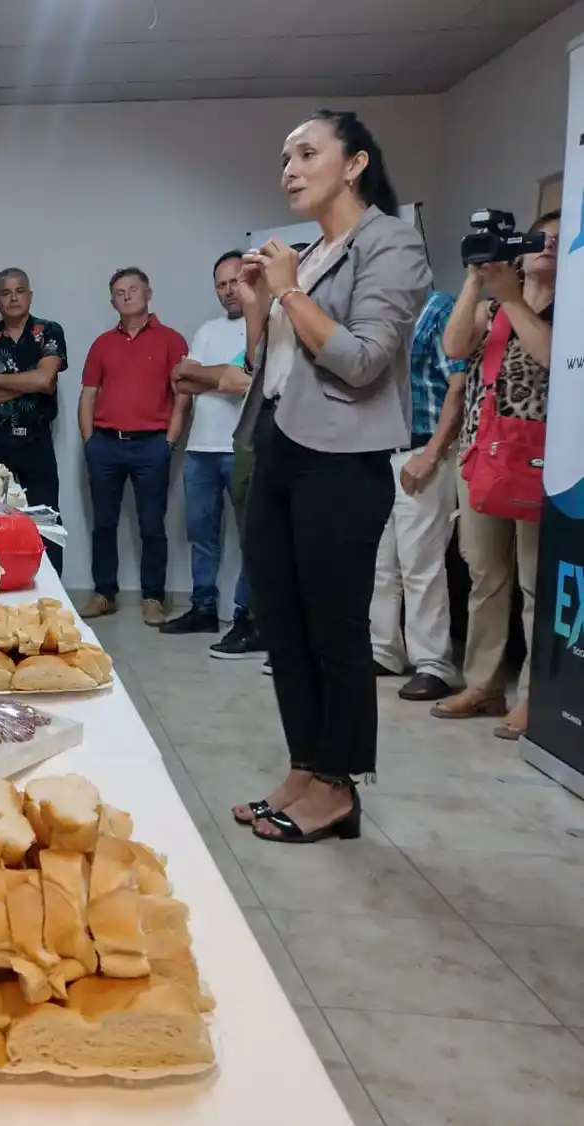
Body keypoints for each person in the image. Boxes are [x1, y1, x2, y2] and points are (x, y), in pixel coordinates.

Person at [228, 109, 430, 844]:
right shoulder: (312, 253)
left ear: (354, 164)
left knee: (335, 629)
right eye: (284, 156)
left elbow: (364, 360)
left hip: (342, 461)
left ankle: (339, 786)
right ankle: (305, 767)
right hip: (280, 446)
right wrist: (260, 305)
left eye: (307, 153)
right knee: (281, 622)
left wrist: (286, 293)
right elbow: (269, 367)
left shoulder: (393, 243)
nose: (289, 168)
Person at [432, 211, 558, 738]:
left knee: (536, 583)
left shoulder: (569, 308)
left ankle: (535, 697)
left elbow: (551, 354)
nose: (545, 247)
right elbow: (454, 347)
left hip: (543, 461)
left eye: (556, 240)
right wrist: (474, 274)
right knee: (485, 575)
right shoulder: (490, 302)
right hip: (483, 455)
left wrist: (511, 297)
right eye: (537, 239)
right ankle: (483, 684)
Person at [370, 289, 468, 702]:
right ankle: (383, 651)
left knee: (420, 565)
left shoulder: (438, 308)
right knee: (379, 564)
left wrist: (430, 456)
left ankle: (433, 665)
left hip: (422, 450)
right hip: (376, 453)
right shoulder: (373, 316)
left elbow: (458, 385)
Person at [79, 267, 189, 625]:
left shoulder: (172, 340)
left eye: (133, 289)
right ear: (112, 300)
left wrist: (169, 443)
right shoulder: (102, 344)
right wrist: (89, 442)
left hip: (151, 447)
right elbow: (88, 395)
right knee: (104, 524)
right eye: (119, 292)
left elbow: (183, 397)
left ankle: (153, 597)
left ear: (148, 293)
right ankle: (104, 593)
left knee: (152, 525)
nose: (126, 296)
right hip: (106, 446)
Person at [163, 251, 256, 638]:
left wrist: (202, 374)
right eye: (221, 284)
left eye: (234, 281)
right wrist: (217, 376)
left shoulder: (259, 326)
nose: (228, 290)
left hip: (242, 448)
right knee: (201, 535)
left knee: (252, 537)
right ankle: (202, 607)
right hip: (200, 449)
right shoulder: (206, 330)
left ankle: (246, 616)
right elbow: (180, 381)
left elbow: (244, 382)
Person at [0, 268, 67, 573]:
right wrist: (30, 383)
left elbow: (45, 379)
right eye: (6, 292)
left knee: (45, 519)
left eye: (19, 291)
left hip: (35, 441)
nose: (13, 298)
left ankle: (51, 593)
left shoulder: (49, 331)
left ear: (30, 295)